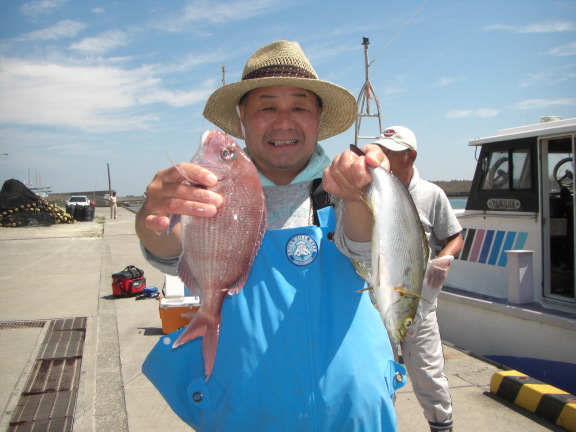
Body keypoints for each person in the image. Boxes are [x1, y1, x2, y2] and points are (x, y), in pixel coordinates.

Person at [136, 40, 405, 432]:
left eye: (300, 106)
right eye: (266, 107)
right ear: (242, 117)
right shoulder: (209, 191)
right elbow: (169, 249)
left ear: (318, 117)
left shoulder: (345, 187)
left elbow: (367, 251)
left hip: (355, 416)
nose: (284, 121)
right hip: (246, 415)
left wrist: (360, 195)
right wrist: (153, 219)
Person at [369, 126, 464, 432]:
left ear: (410, 156)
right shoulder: (370, 190)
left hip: (420, 302)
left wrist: (443, 258)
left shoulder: (431, 194)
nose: (382, 156)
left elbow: (455, 236)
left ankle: (441, 425)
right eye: (380, 150)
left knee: (429, 375)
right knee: (380, 374)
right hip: (379, 302)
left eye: (390, 152)